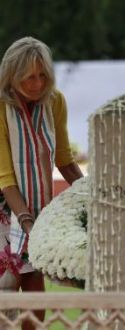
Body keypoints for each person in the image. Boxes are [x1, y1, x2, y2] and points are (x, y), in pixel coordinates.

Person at [0, 36, 83, 329]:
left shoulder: (55, 100)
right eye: (28, 77)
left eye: (42, 76)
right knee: (8, 289)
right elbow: (5, 176)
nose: (36, 84)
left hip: (37, 207)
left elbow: (64, 159)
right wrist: (26, 222)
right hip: (5, 207)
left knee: (34, 289)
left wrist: (90, 195)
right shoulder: (0, 106)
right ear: (11, 76)